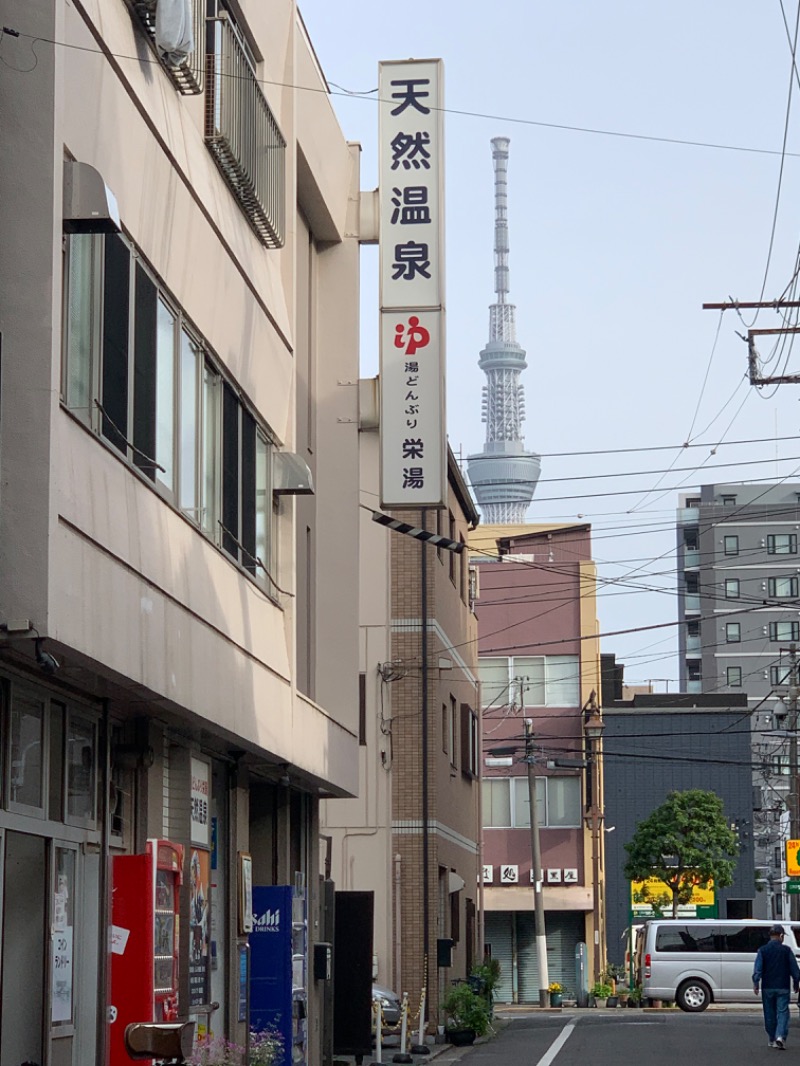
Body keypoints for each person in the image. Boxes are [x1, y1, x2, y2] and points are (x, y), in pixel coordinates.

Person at [753, 923, 800, 1049]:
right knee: (783, 1012)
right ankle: (780, 1036)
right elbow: (794, 969)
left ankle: (771, 1038)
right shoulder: (786, 951)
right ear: (780, 936)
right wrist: (796, 982)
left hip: (767, 986)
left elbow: (758, 969)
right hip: (783, 987)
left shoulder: (762, 950)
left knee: (769, 1013)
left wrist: (756, 982)